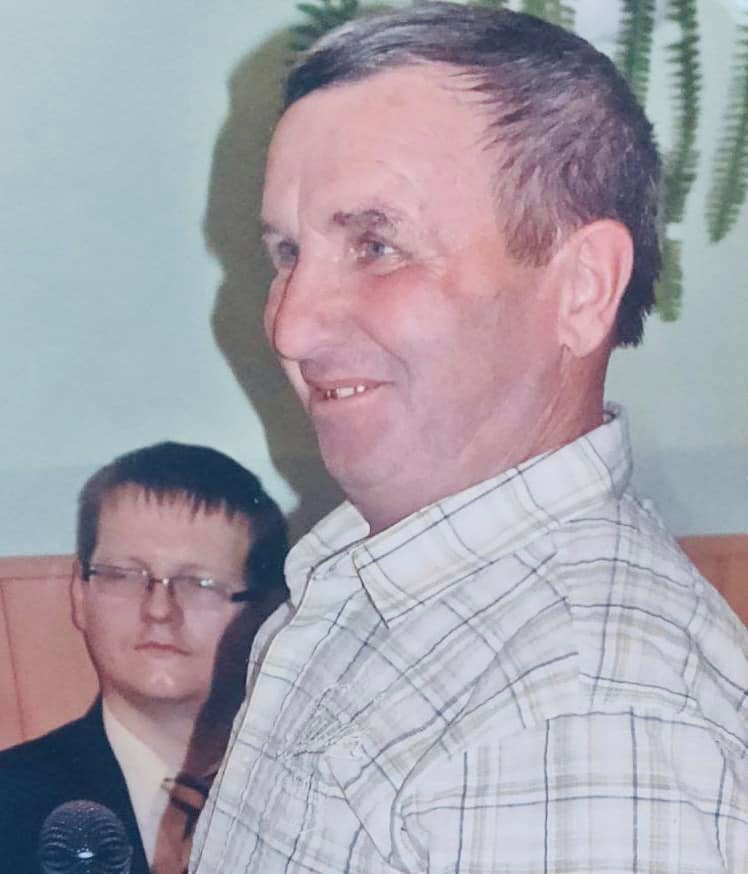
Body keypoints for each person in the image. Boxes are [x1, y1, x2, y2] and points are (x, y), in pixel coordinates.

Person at [192, 4, 748, 873]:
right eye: (288, 254)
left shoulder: (581, 722)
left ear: (581, 289)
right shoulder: (379, 579)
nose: (291, 327)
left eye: (377, 246)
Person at [0, 442, 288, 874]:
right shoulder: (9, 803)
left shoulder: (326, 796)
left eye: (199, 582)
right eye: (123, 575)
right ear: (79, 594)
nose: (158, 610)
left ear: (264, 611)